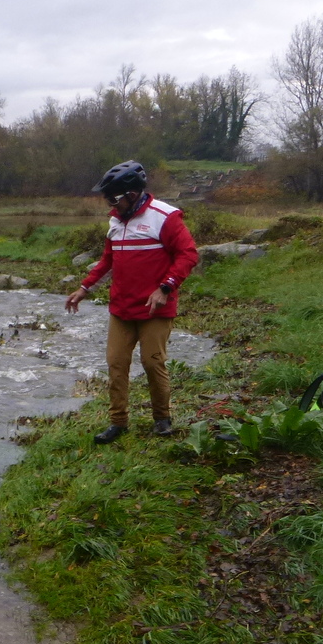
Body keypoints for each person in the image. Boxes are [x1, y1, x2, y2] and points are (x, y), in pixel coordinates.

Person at [64, 160, 199, 444]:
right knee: (116, 364)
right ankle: (118, 422)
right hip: (121, 309)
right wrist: (83, 289)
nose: (109, 205)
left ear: (132, 194)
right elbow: (108, 261)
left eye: (113, 198)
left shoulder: (165, 217)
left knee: (153, 363)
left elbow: (188, 255)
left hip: (155, 308)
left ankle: (162, 419)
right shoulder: (116, 221)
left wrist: (165, 288)